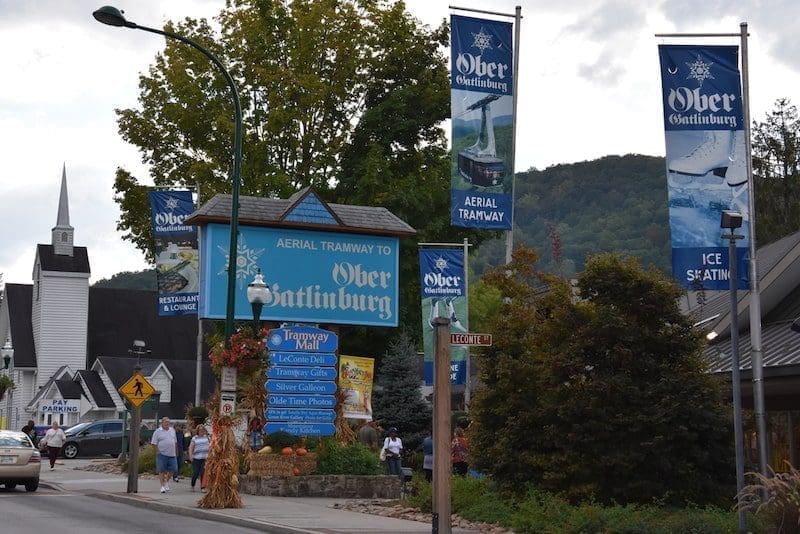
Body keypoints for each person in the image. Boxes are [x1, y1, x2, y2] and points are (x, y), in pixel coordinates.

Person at [151, 416, 178, 493]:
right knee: (162, 470)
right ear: (162, 423)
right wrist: (158, 451)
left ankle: (166, 481)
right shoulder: (157, 431)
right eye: (166, 422)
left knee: (174, 469)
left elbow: (175, 442)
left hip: (172, 454)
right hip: (162, 454)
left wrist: (176, 451)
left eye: (168, 422)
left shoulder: (172, 430)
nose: (167, 424)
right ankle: (162, 486)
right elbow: (153, 443)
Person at [188, 424, 210, 492]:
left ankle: (203, 487)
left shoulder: (207, 438)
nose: (202, 431)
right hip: (196, 458)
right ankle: (192, 485)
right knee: (196, 472)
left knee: (203, 472)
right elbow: (191, 447)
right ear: (198, 431)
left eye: (203, 430)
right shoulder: (195, 438)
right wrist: (190, 455)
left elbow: (211, 446)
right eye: (200, 430)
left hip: (205, 457)